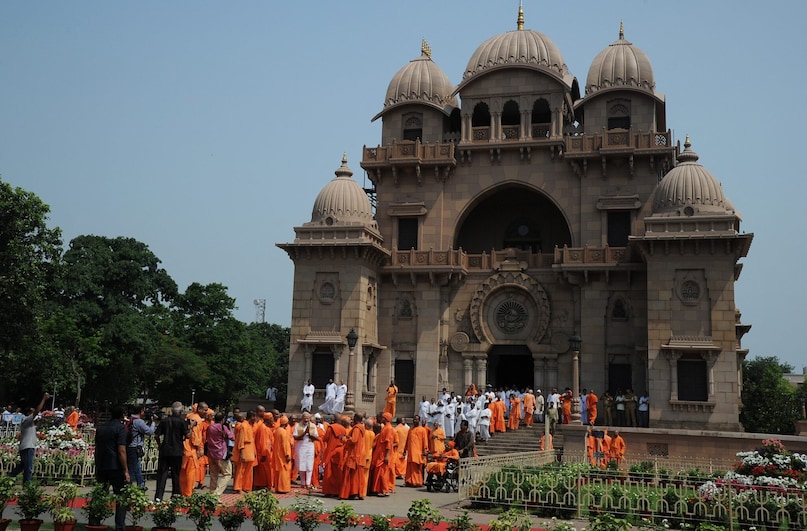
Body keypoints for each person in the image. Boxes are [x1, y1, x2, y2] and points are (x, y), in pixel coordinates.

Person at [95, 405, 131, 531]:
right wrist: (126, 470)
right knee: (120, 497)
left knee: (100, 495)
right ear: (122, 415)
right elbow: (121, 450)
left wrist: (96, 464)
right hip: (115, 466)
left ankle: (95, 521)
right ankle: (120, 526)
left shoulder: (101, 427)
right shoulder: (121, 428)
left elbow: (97, 449)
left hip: (102, 464)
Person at [9, 392, 49, 484]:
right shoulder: (26, 420)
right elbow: (37, 411)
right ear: (28, 413)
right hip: (27, 447)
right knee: (28, 467)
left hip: (26, 446)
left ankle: (8, 478)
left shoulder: (28, 422)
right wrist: (43, 399)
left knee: (22, 466)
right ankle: (27, 485)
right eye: (31, 411)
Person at [154, 401, 189, 501]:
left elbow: (156, 435)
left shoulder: (165, 421)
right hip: (177, 450)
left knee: (162, 474)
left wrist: (160, 445)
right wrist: (191, 427)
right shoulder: (182, 421)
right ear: (180, 411)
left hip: (165, 449)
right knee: (176, 473)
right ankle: (176, 495)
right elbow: (187, 435)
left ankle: (158, 496)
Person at [126, 404, 155, 489]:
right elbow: (149, 431)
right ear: (140, 411)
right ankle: (139, 485)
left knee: (133, 466)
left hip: (128, 446)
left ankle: (133, 484)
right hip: (135, 447)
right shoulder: (139, 421)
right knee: (136, 467)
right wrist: (153, 423)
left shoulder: (129, 419)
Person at [206, 412, 233, 495]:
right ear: (223, 419)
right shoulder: (223, 427)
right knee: (227, 474)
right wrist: (230, 429)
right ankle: (217, 493)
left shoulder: (209, 427)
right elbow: (232, 437)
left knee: (213, 475)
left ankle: (212, 493)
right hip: (221, 454)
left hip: (211, 453)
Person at [292, 411, 319, 488]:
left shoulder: (313, 426)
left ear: (309, 418)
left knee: (309, 465)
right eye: (305, 418)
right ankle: (303, 483)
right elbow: (295, 437)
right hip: (301, 446)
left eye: (307, 418)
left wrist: (310, 434)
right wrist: (304, 433)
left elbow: (317, 437)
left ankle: (308, 483)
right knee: (301, 464)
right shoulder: (298, 426)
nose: (306, 420)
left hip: (310, 446)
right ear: (302, 418)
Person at [403, 415, 428, 487]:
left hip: (418, 452)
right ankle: (409, 481)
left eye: (416, 420)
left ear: (419, 420)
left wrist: (425, 450)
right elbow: (407, 440)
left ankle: (417, 482)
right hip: (410, 452)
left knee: (416, 468)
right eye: (414, 419)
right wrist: (405, 449)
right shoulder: (410, 429)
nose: (415, 421)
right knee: (409, 467)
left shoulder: (422, 430)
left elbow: (425, 440)